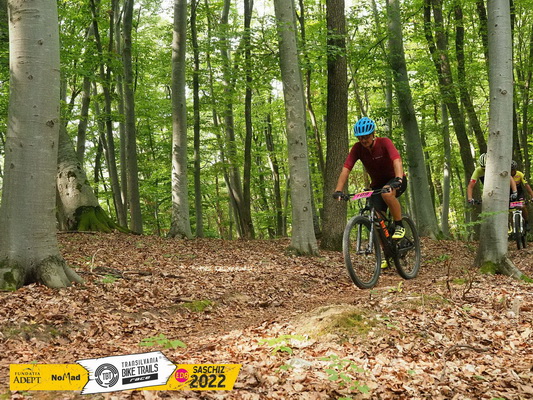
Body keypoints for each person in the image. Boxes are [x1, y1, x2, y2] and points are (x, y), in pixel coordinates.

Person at [333, 116, 408, 245]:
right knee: (377, 220)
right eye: (360, 138)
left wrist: (398, 179)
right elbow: (346, 169)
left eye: (366, 136)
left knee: (387, 193)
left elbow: (397, 160)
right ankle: (387, 251)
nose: (363, 140)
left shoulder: (384, 142)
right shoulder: (357, 148)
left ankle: (399, 225)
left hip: (395, 179)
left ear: (373, 134)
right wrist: (338, 190)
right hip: (377, 185)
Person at [510, 160, 533, 228]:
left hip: (519, 192)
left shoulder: (520, 174)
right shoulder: (506, 175)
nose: (512, 172)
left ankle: (526, 221)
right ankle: (512, 227)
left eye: (513, 170)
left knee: (522, 206)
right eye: (510, 170)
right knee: (509, 210)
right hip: (509, 193)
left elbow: (527, 186)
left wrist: (532, 195)